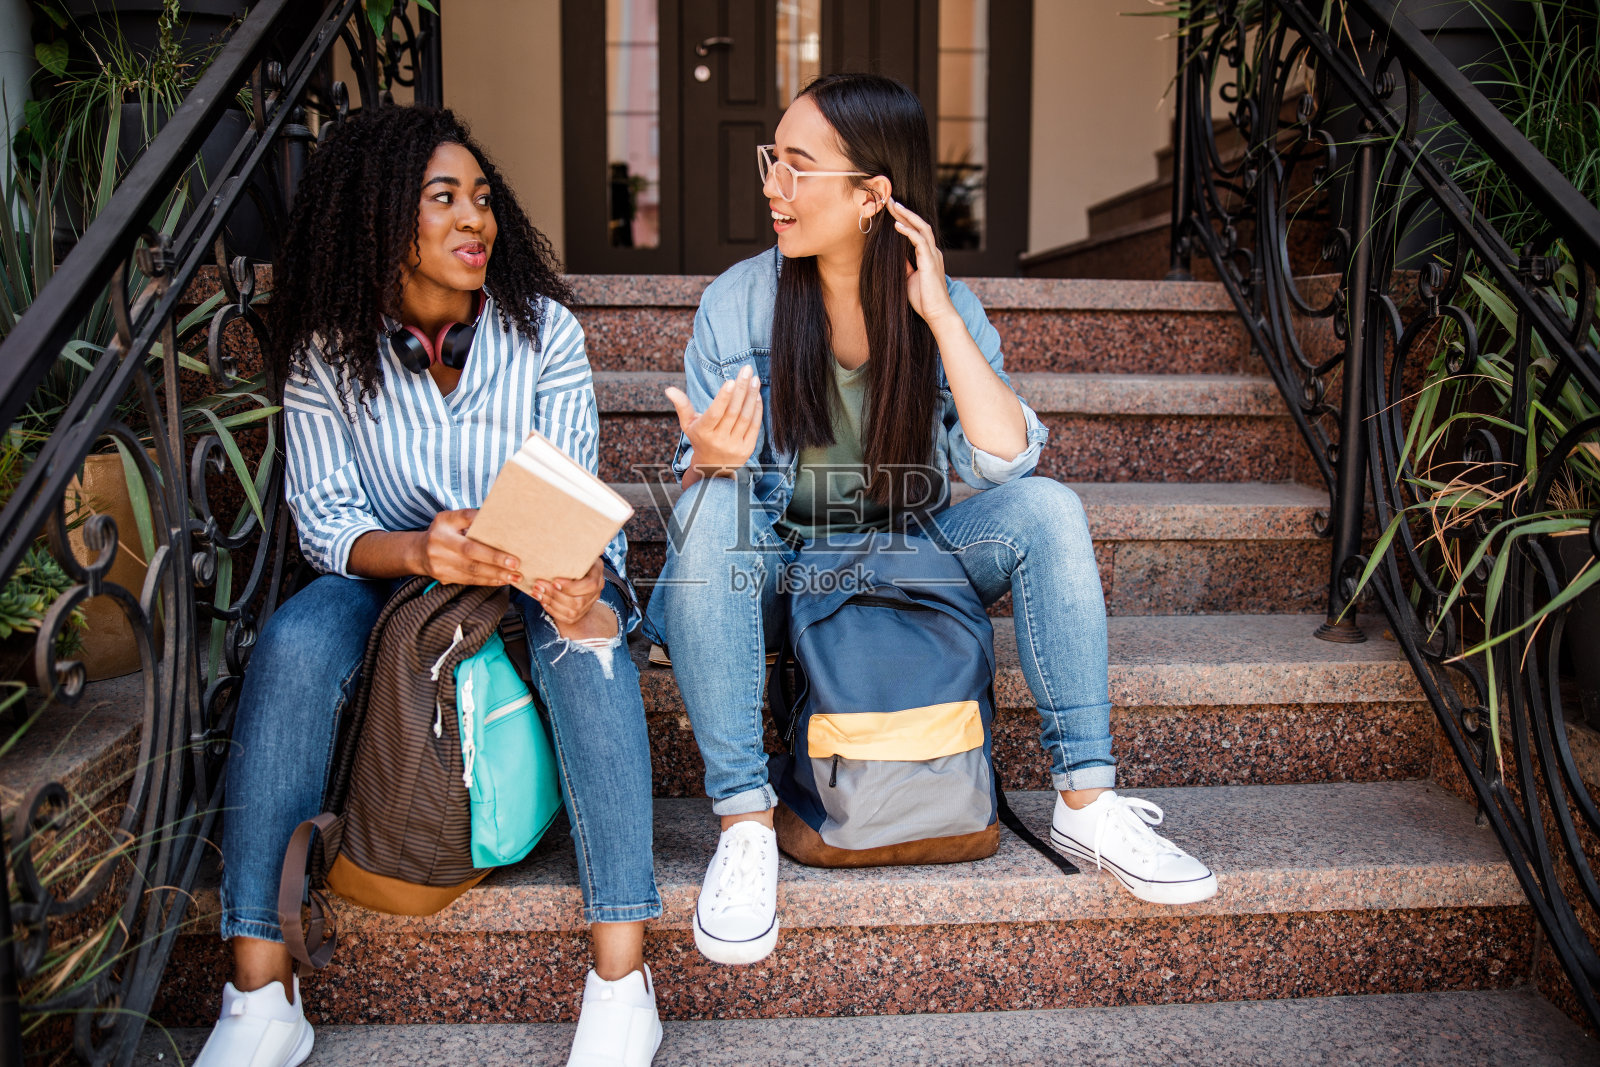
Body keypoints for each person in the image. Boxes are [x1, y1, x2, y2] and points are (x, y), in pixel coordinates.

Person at [645, 73, 1218, 968]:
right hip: (785, 560)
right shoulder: (739, 303)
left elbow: (1004, 459)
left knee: (1048, 509)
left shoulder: (941, 304)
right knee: (713, 505)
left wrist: (942, 317)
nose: (772, 186)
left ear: (874, 196)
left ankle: (1086, 803)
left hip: (909, 550)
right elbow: (705, 523)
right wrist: (714, 465)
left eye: (797, 167)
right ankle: (747, 823)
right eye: (772, 161)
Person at [195, 107, 662, 1067]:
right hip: (394, 577)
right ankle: (259, 991)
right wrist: (420, 551)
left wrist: (564, 579)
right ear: (375, 220)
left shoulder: (545, 334)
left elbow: (568, 490)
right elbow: (326, 519)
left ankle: (623, 978)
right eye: (442, 198)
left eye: (482, 199)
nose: (475, 220)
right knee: (293, 638)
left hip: (532, 569)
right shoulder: (330, 350)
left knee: (586, 638)